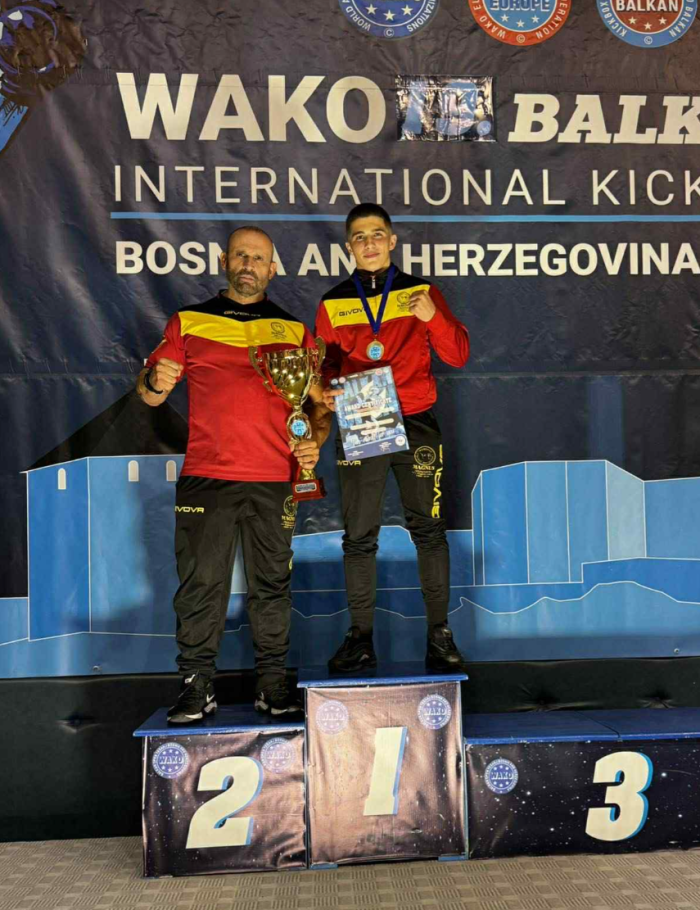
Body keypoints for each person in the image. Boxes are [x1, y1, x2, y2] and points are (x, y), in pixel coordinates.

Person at [137, 226, 331, 722]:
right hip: (208, 475)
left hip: (275, 477)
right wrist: (154, 380)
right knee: (201, 585)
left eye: (259, 258)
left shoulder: (293, 331)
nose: (249, 264)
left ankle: (273, 685)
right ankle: (196, 685)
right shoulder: (189, 321)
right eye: (241, 255)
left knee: (273, 586)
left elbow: (318, 406)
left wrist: (314, 439)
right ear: (224, 262)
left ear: (273, 268)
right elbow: (151, 394)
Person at [314, 203, 470, 673]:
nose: (369, 243)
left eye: (377, 234)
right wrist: (328, 387)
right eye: (360, 237)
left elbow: (458, 354)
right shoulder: (333, 303)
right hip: (363, 416)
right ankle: (360, 638)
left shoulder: (421, 292)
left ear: (393, 240)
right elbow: (325, 364)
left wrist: (433, 317)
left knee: (429, 531)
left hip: (415, 417)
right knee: (359, 536)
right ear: (349, 246)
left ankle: (440, 634)